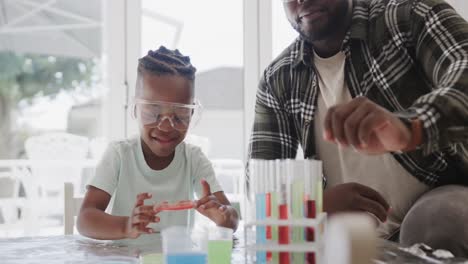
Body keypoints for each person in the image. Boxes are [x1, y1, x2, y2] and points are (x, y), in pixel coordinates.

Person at [249, 0, 468, 256]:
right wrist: (316, 205)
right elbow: (261, 186)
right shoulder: (278, 79)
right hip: (346, 236)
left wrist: (410, 129)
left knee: (436, 219)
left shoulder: (409, 16)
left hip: (445, 201)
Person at [77, 46, 239, 241]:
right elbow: (85, 219)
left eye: (179, 115)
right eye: (152, 113)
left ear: (192, 114)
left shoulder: (194, 159)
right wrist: (125, 226)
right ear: (136, 109)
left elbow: (232, 219)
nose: (165, 127)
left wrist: (223, 218)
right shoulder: (119, 154)